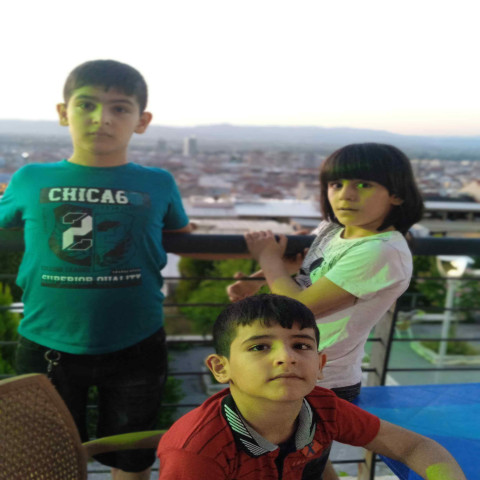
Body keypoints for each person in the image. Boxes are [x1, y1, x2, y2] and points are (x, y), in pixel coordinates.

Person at [0, 59, 192, 480]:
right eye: (86, 104)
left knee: (132, 460)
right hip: (45, 344)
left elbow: (181, 231)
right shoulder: (30, 178)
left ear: (142, 121)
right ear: (63, 112)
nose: (101, 118)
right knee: (45, 462)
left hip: (137, 344)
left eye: (119, 108)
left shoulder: (159, 182)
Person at [227, 143, 424, 478]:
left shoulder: (382, 252)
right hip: (302, 372)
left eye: (363, 184)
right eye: (336, 184)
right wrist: (257, 280)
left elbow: (296, 310)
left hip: (322, 381)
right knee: (306, 465)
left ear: (397, 195)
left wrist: (268, 257)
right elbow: (308, 268)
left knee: (291, 467)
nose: (346, 194)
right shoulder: (333, 229)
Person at [156, 294, 465, 480]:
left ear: (319, 364)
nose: (286, 358)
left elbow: (414, 447)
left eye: (301, 345)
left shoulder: (323, 407)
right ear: (221, 368)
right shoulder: (197, 452)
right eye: (260, 347)